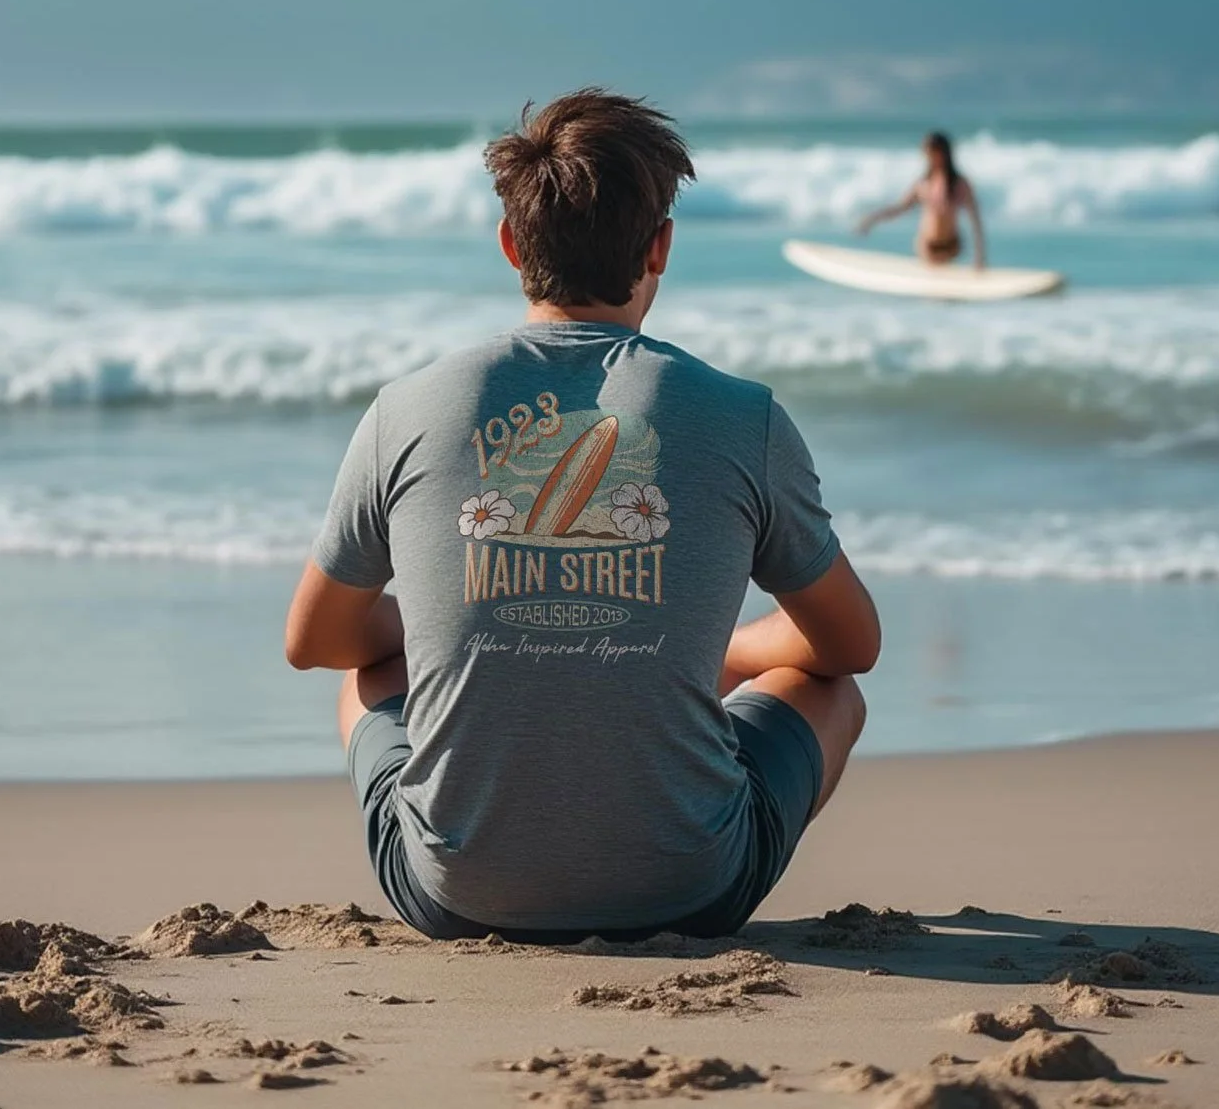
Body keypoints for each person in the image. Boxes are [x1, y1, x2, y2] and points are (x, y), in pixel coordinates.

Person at [284, 88, 880, 942]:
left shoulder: (408, 408)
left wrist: (445, 626)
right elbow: (852, 647)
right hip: (691, 891)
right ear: (661, 247)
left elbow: (312, 641)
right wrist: (732, 650)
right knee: (832, 694)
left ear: (510, 243)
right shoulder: (743, 418)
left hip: (455, 895)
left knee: (369, 674)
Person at [857, 130, 986, 267]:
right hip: (927, 248)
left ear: (944, 153)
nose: (929, 157)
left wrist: (979, 257)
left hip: (951, 248)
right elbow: (899, 208)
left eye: (933, 153)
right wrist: (871, 219)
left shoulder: (960, 184)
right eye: (927, 153)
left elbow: (975, 219)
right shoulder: (923, 184)